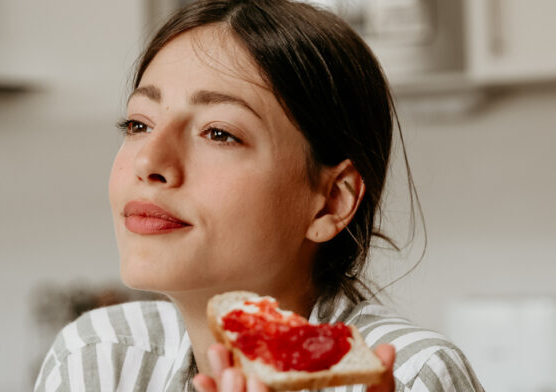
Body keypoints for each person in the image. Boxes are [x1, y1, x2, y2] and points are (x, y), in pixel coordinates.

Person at [34, 0, 484, 391]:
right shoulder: (97, 357)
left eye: (218, 132)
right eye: (138, 124)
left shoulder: (410, 375)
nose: (149, 162)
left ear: (332, 200)